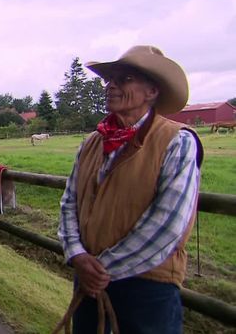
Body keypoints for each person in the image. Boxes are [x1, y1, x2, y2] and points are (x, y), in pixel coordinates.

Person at [57, 45, 203, 334]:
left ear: (151, 91)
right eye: (109, 80)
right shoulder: (91, 143)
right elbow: (69, 202)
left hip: (146, 289)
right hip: (89, 282)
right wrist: (77, 255)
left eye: (124, 80)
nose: (111, 86)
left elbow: (167, 226)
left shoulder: (178, 142)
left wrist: (99, 269)